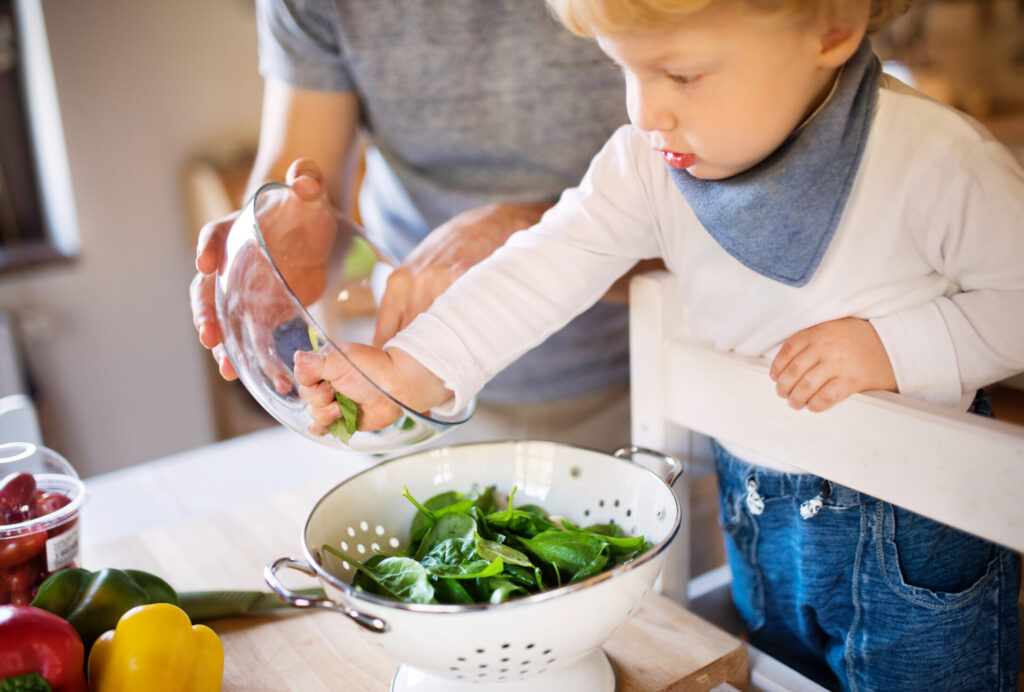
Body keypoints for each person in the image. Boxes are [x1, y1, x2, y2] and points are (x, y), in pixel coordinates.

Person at [291, 0, 1024, 688]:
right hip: (759, 524)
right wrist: (411, 368)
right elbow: (543, 266)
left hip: (914, 546)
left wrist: (893, 349)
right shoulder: (649, 160)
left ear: (831, 25)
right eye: (624, 70)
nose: (645, 110)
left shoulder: (935, 162)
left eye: (681, 75)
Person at [189, 0, 655, 451]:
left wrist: (525, 231)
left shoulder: (642, 156)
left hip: (644, 381)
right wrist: (271, 246)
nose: (652, 113)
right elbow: (299, 165)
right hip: (416, 404)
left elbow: (645, 227)